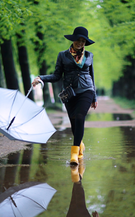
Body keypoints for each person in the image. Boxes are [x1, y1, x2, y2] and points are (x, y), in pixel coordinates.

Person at [32, 26, 97, 165]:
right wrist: (41, 78)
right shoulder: (63, 55)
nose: (80, 43)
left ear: (85, 42)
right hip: (69, 93)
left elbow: (92, 76)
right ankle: (80, 144)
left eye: (83, 41)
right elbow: (56, 75)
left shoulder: (89, 55)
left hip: (87, 90)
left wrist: (94, 97)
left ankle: (74, 154)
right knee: (74, 122)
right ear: (73, 40)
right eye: (78, 40)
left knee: (80, 117)